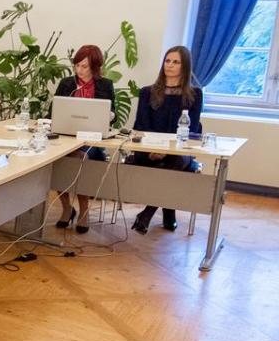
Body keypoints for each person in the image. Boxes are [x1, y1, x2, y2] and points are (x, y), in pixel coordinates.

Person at [130, 45, 203, 235]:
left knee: (174, 161)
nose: (169, 65)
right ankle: (168, 211)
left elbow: (192, 129)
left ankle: (147, 213)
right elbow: (141, 124)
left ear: (184, 67)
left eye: (175, 62)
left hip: (178, 151)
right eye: (167, 61)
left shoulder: (195, 94)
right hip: (149, 149)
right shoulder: (147, 92)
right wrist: (155, 148)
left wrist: (167, 150)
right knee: (168, 168)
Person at [51, 45, 115, 234]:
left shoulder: (105, 85)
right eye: (77, 65)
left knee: (80, 159)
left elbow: (114, 115)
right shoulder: (66, 84)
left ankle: (84, 210)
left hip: (91, 140)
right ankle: (66, 208)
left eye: (84, 66)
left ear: (95, 67)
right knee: (55, 158)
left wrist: (109, 115)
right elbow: (52, 112)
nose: (79, 70)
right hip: (66, 136)